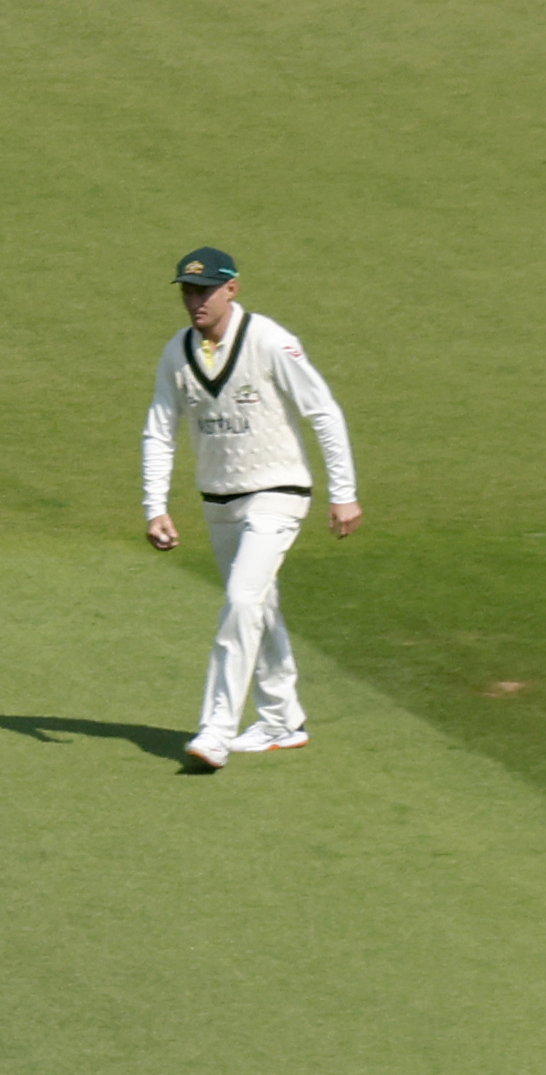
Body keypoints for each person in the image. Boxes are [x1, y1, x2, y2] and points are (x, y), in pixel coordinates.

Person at [140, 245, 359, 773]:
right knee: (258, 606)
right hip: (219, 500)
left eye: (205, 291)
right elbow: (159, 430)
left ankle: (216, 731)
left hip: (278, 492)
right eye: (188, 291)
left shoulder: (269, 340)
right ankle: (282, 720)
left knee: (241, 601)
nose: (196, 301)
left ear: (232, 289)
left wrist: (343, 492)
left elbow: (323, 411)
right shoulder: (177, 352)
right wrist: (155, 507)